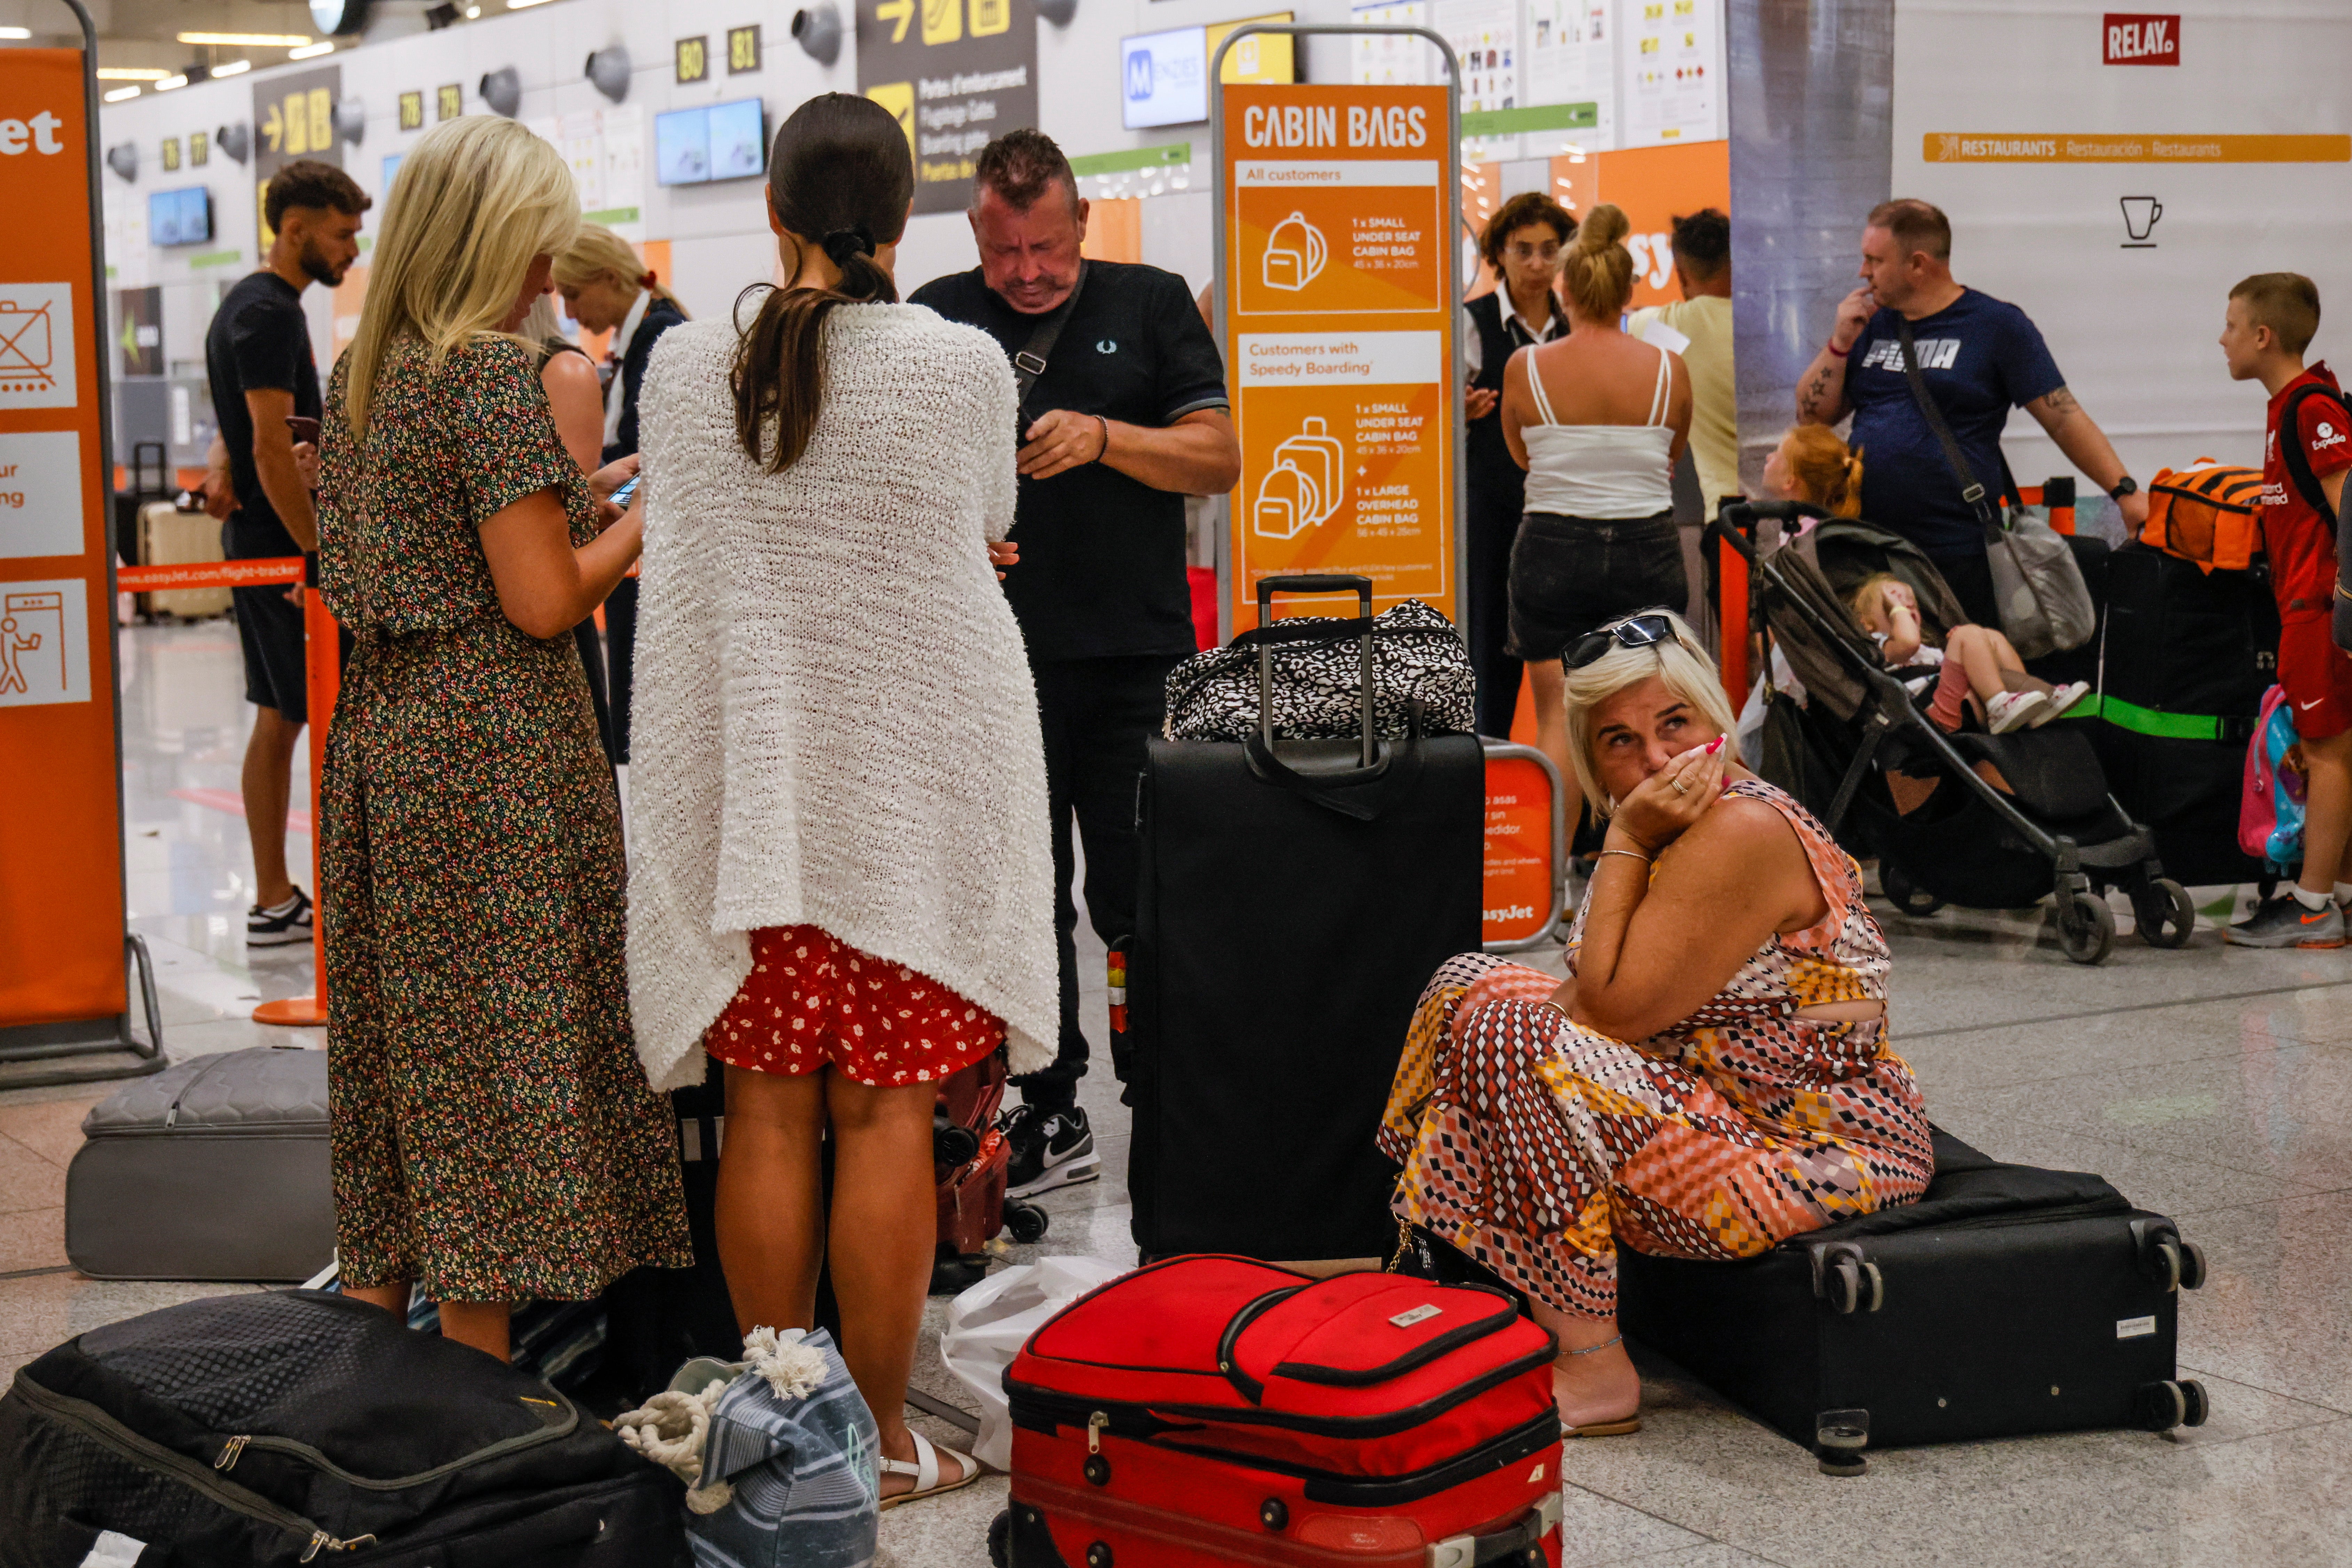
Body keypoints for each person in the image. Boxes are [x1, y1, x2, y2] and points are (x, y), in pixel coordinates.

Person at [626, 92, 1056, 1507]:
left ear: (768, 208)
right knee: (883, 1115)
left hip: (755, 804)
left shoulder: (687, 368)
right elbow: (986, 516)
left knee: (764, 1112)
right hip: (906, 802)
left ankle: (776, 1430)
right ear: (905, 214)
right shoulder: (960, 365)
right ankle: (871, 1440)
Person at [315, 115, 690, 1363]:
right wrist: (662, 508)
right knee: (491, 1071)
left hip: (380, 738)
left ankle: (369, 1383)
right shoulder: (482, 374)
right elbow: (541, 596)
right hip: (488, 756)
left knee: (395, 1071)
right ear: (492, 238)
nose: (548, 267)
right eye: (534, 241)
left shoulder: (365, 370)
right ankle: (471, 1421)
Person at [1379, 609, 1932, 1432]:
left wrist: (1628, 832)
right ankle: (1437, 1265)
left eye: (1675, 723)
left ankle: (1593, 1368)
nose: (1658, 759)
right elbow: (1589, 1005)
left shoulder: (1737, 826)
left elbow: (1603, 1009)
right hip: (1720, 1113)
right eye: (1619, 741)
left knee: (1507, 1031)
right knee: (1468, 986)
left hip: (1817, 1158)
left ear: (1716, 713)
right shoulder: (1684, 821)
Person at [910, 129, 1238, 1195]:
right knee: (1023, 897)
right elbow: (892, 480)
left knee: (1147, 897)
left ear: (1082, 224)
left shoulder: (1148, 303)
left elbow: (1221, 455)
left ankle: (1167, 1091)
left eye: (1046, 247)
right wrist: (952, 530)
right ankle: (1050, 1109)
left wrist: (1106, 439)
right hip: (991, 662)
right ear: (976, 235)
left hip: (1137, 657)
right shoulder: (936, 314)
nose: (1026, 273)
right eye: (1005, 252)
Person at [1794, 199, 2147, 629]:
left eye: (1874, 260)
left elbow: (2062, 417)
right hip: (1869, 546)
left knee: (1963, 677)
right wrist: (1839, 342)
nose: (1862, 272)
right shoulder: (1872, 324)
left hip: (1955, 551)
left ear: (1917, 265)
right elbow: (1812, 416)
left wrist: (2124, 491)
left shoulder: (1995, 325)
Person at [203, 158, 368, 949]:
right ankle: (278, 896)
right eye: (341, 236)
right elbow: (271, 447)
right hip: (281, 552)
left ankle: (276, 897)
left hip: (265, 545)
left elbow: (246, 435)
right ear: (294, 229)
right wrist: (321, 556)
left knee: (281, 718)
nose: (351, 252)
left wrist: (221, 457)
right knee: (297, 718)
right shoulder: (269, 313)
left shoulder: (252, 303)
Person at [1501, 204, 1693, 827]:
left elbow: (1520, 455)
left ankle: (1547, 892)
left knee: (1557, 717)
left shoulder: (1525, 367)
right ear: (1627, 289)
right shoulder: (1668, 369)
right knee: (1653, 716)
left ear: (1565, 285)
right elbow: (1671, 455)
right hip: (1647, 544)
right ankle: (1656, 863)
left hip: (1552, 545)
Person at [1762, 424, 2086, 733]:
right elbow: (1908, 642)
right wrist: (1899, 611)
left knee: (1991, 639)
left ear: (1792, 480)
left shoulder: (1805, 543)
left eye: (1775, 452)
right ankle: (2001, 702)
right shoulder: (1878, 648)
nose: (1767, 458)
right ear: (1868, 623)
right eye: (1894, 605)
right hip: (1928, 706)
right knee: (1970, 636)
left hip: (1934, 692)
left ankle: (2030, 695)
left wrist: (1898, 608)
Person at [2218, 273, 2352, 948]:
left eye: (2232, 326)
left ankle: (2311, 906)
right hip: (2305, 608)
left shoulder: (2311, 408)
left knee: (2327, 756)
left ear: (2263, 336)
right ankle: (2340, 895)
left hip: (2321, 611)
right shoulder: (2288, 407)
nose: (2224, 339)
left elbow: (2347, 509)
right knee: (2335, 755)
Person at [552, 225, 691, 765]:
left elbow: (656, 455)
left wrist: (617, 509)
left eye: (575, 294)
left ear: (609, 279)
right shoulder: (643, 335)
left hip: (643, 549)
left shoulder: (657, 336)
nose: (569, 309)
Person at [1464, 192, 1574, 738]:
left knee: (1572, 673)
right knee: (1490, 666)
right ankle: (1489, 802)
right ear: (1498, 254)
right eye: (1523, 250)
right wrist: (1455, 413)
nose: (1537, 264)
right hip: (1492, 518)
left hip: (1564, 519)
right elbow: (1423, 425)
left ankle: (1575, 814)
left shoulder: (1578, 328)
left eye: (1549, 250)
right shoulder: (1471, 323)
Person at [1630, 207, 1737, 530]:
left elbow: (1625, 324)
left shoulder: (1674, 327)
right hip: (1798, 512)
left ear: (1681, 274)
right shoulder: (1774, 317)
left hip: (1730, 513)